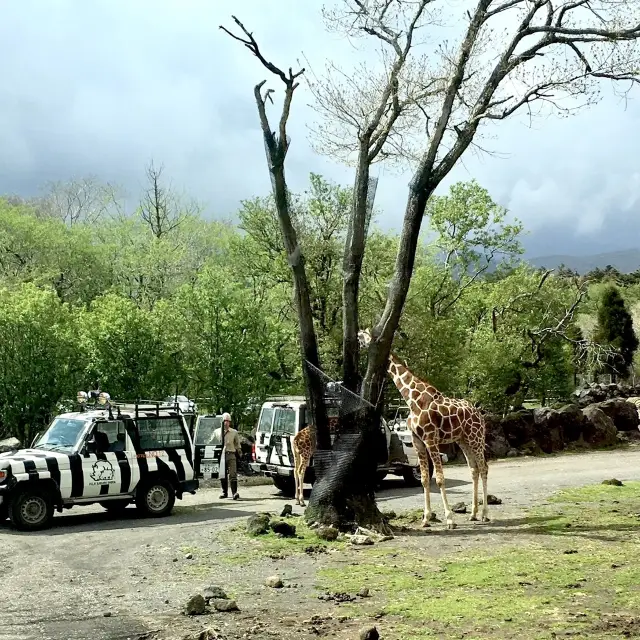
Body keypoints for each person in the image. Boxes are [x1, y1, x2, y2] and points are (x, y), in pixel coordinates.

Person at [219, 412, 242, 500]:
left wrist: (240, 452)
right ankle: (224, 492)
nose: (226, 423)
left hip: (231, 454)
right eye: (225, 421)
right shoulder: (217, 432)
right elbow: (211, 441)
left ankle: (234, 493)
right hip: (221, 455)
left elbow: (237, 444)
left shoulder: (234, 432)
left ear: (230, 422)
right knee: (222, 474)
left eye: (228, 421)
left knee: (233, 474)